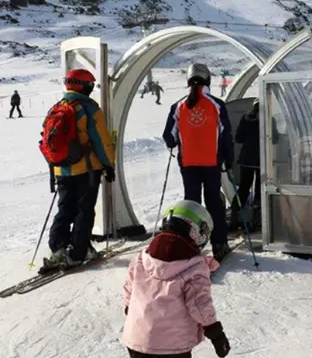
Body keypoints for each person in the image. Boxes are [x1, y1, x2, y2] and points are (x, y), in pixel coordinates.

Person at [123, 200, 231, 358]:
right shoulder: (194, 268)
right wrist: (216, 334)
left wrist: (131, 309)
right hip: (172, 347)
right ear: (198, 233)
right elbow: (200, 305)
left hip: (137, 340)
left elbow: (129, 290)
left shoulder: (142, 258)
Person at [43, 69, 116, 268]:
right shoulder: (89, 108)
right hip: (87, 169)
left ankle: (58, 247)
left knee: (65, 209)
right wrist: (109, 164)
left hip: (62, 169)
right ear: (83, 86)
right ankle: (77, 252)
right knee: (84, 210)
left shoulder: (57, 107)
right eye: (90, 85)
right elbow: (101, 141)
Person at [163, 63, 234, 262]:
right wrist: (228, 158)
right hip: (211, 162)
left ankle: (191, 244)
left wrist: (178, 141)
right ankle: (219, 244)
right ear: (208, 79)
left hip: (188, 163)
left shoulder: (178, 106)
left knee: (192, 203)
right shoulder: (217, 104)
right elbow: (226, 135)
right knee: (214, 202)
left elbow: (169, 137)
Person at [232, 100, 278, 229]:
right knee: (259, 189)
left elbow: (238, 138)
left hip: (246, 160)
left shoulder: (245, 118)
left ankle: (235, 215)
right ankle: (256, 219)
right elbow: (275, 139)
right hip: (261, 161)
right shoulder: (269, 119)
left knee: (243, 188)